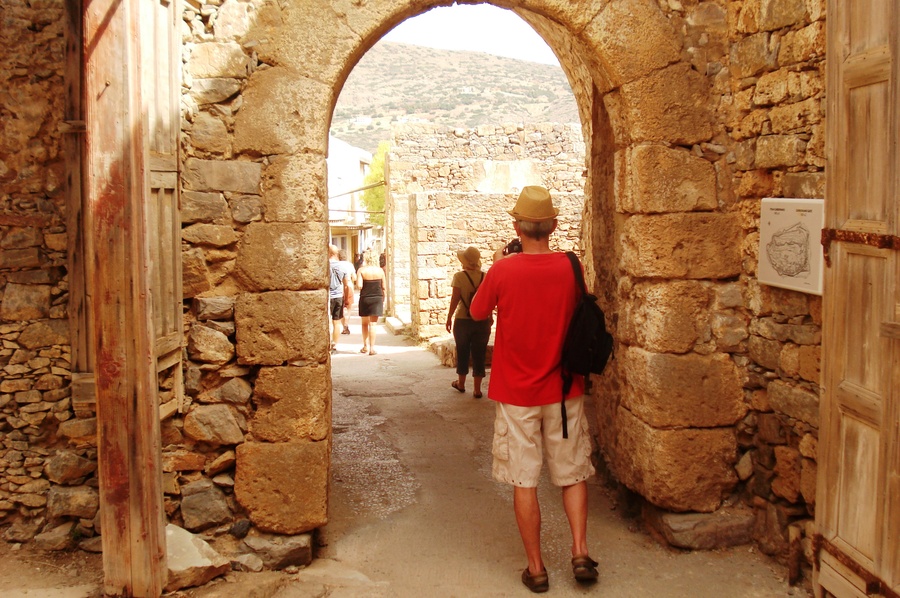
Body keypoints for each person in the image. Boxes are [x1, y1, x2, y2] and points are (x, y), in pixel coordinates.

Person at [469, 186, 598, 593]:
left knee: (525, 480)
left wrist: (497, 267)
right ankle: (579, 552)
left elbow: (476, 312)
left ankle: (537, 568)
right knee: (573, 472)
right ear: (554, 226)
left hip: (516, 394)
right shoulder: (569, 266)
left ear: (516, 227)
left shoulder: (502, 271)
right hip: (565, 390)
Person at [445, 246, 490, 399]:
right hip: (482, 320)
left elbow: (455, 299)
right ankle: (477, 389)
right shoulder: (486, 276)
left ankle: (461, 383)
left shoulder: (459, 276)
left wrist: (449, 316)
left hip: (463, 320)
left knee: (462, 351)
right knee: (479, 353)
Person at [356, 250, 385, 355]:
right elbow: (384, 287)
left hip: (365, 298)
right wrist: (383, 298)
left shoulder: (361, 270)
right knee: (373, 324)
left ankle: (365, 346)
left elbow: (359, 286)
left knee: (364, 324)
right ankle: (372, 348)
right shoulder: (380, 271)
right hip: (377, 298)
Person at [328, 244, 353, 353]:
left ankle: (327, 342)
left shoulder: (324, 265)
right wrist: (346, 298)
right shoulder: (342, 267)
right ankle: (334, 344)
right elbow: (346, 284)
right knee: (336, 322)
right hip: (338, 296)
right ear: (336, 253)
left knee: (327, 321)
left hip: (327, 296)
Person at [336, 249, 357, 335]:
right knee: (348, 308)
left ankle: (344, 325)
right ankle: (346, 324)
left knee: (340, 309)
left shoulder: (336, 265)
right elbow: (354, 277)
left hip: (339, 288)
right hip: (349, 286)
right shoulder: (350, 265)